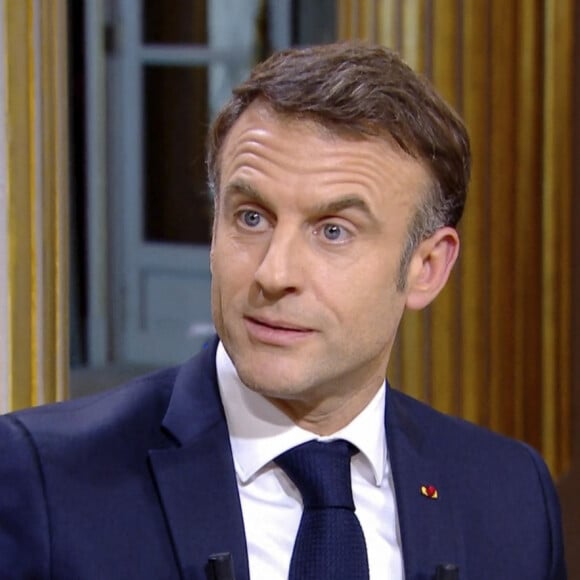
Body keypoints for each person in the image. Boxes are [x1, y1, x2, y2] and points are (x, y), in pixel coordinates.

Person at [0, 42, 565, 580]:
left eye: (333, 231)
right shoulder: (46, 481)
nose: (274, 274)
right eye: (251, 217)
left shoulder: (510, 497)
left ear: (426, 267)